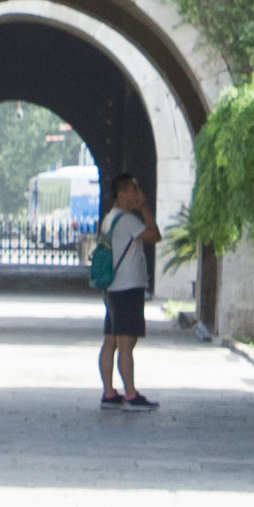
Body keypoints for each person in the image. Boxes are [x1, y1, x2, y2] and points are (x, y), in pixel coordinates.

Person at [94, 175, 160, 411]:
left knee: (110, 341)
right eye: (134, 188)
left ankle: (109, 392)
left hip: (112, 287)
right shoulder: (128, 221)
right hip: (128, 286)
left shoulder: (109, 219)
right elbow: (155, 235)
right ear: (122, 193)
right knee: (125, 344)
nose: (138, 192)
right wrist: (144, 207)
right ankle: (131, 395)